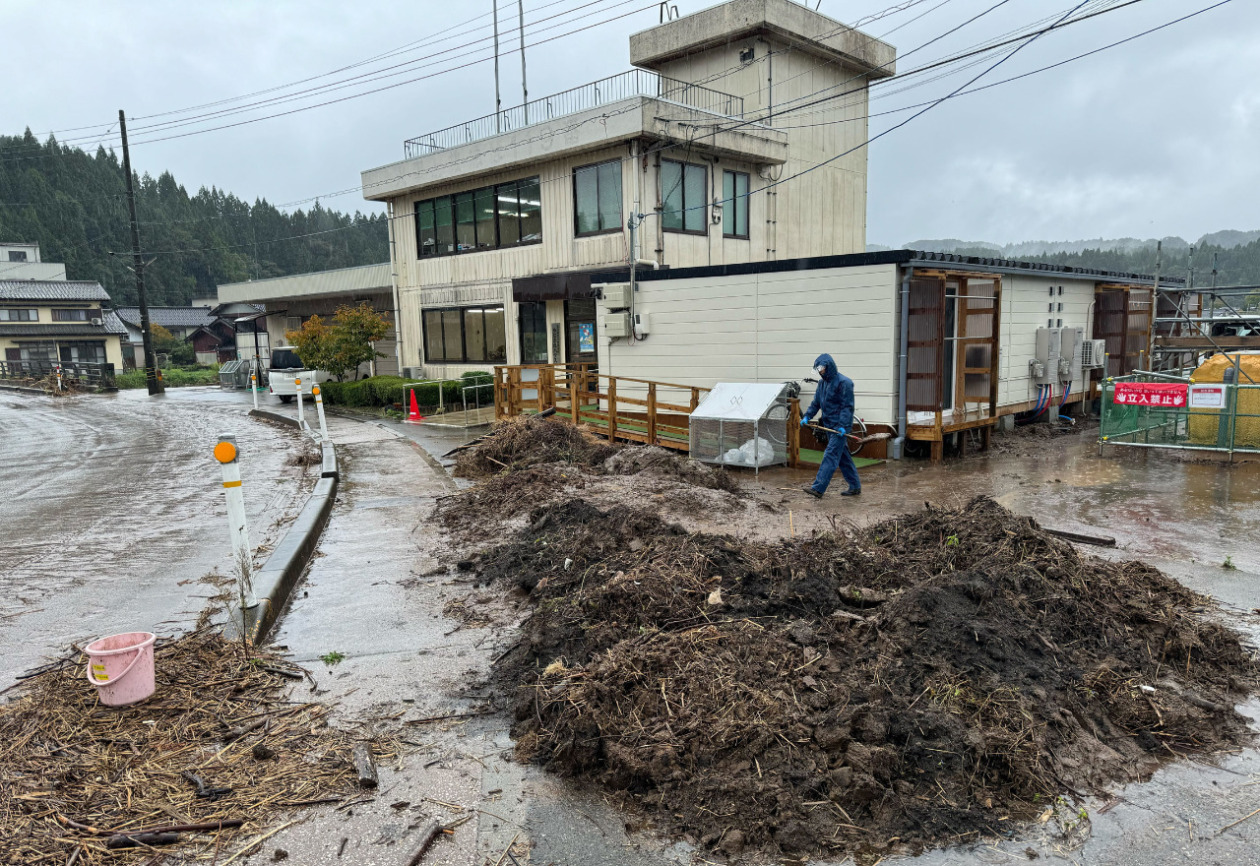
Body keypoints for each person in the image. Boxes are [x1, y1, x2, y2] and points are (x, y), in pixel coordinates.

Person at [799, 353, 861, 498]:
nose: (820, 372)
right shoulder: (822, 383)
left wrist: (843, 426)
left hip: (840, 428)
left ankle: (818, 488)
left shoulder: (844, 383)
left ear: (828, 367)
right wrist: (808, 416)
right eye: (818, 370)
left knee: (830, 455)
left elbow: (847, 407)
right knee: (843, 457)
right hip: (828, 426)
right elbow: (816, 403)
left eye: (821, 369)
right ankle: (855, 486)